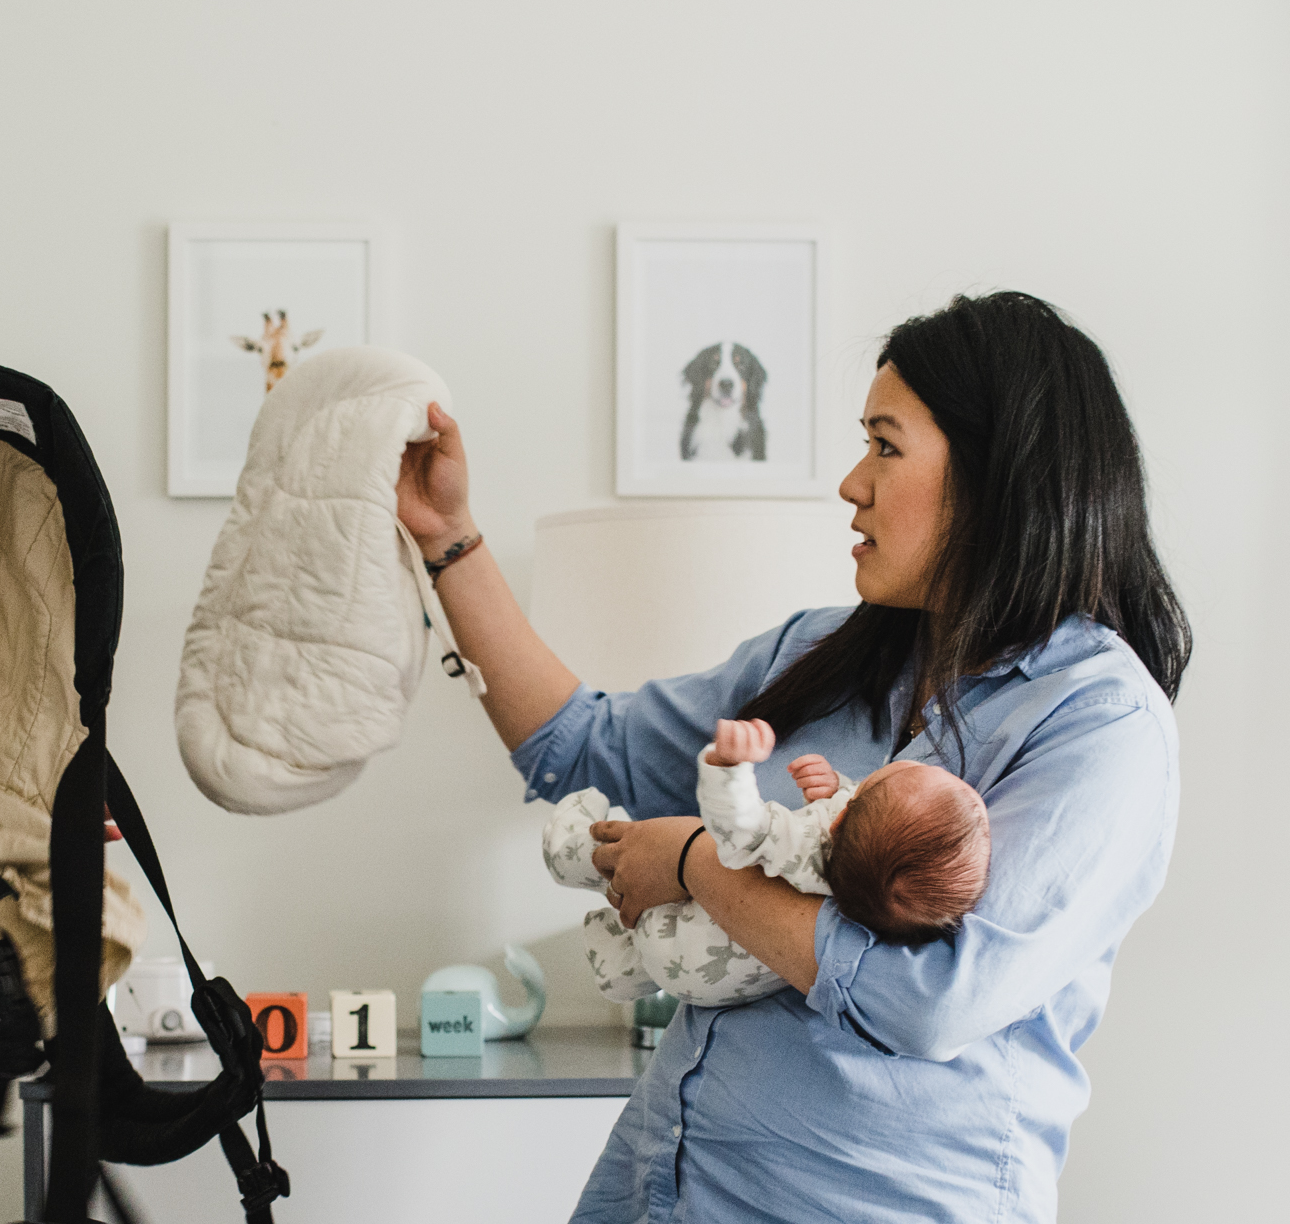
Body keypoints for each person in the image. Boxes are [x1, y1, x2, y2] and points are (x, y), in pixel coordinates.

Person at [397, 291, 1186, 1222]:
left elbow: (930, 999)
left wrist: (693, 860)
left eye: (886, 446)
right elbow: (580, 746)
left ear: (996, 473)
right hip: (660, 1183)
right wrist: (447, 535)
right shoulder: (820, 653)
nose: (853, 483)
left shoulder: (1097, 718)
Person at [545, 716, 991, 1007]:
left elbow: (742, 830)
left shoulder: (807, 841)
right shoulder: (870, 898)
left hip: (678, 922)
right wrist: (836, 788)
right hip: (701, 981)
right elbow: (871, 829)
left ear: (836, 824)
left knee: (617, 854)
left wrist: (728, 768)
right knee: (645, 956)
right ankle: (619, 966)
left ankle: (566, 848)